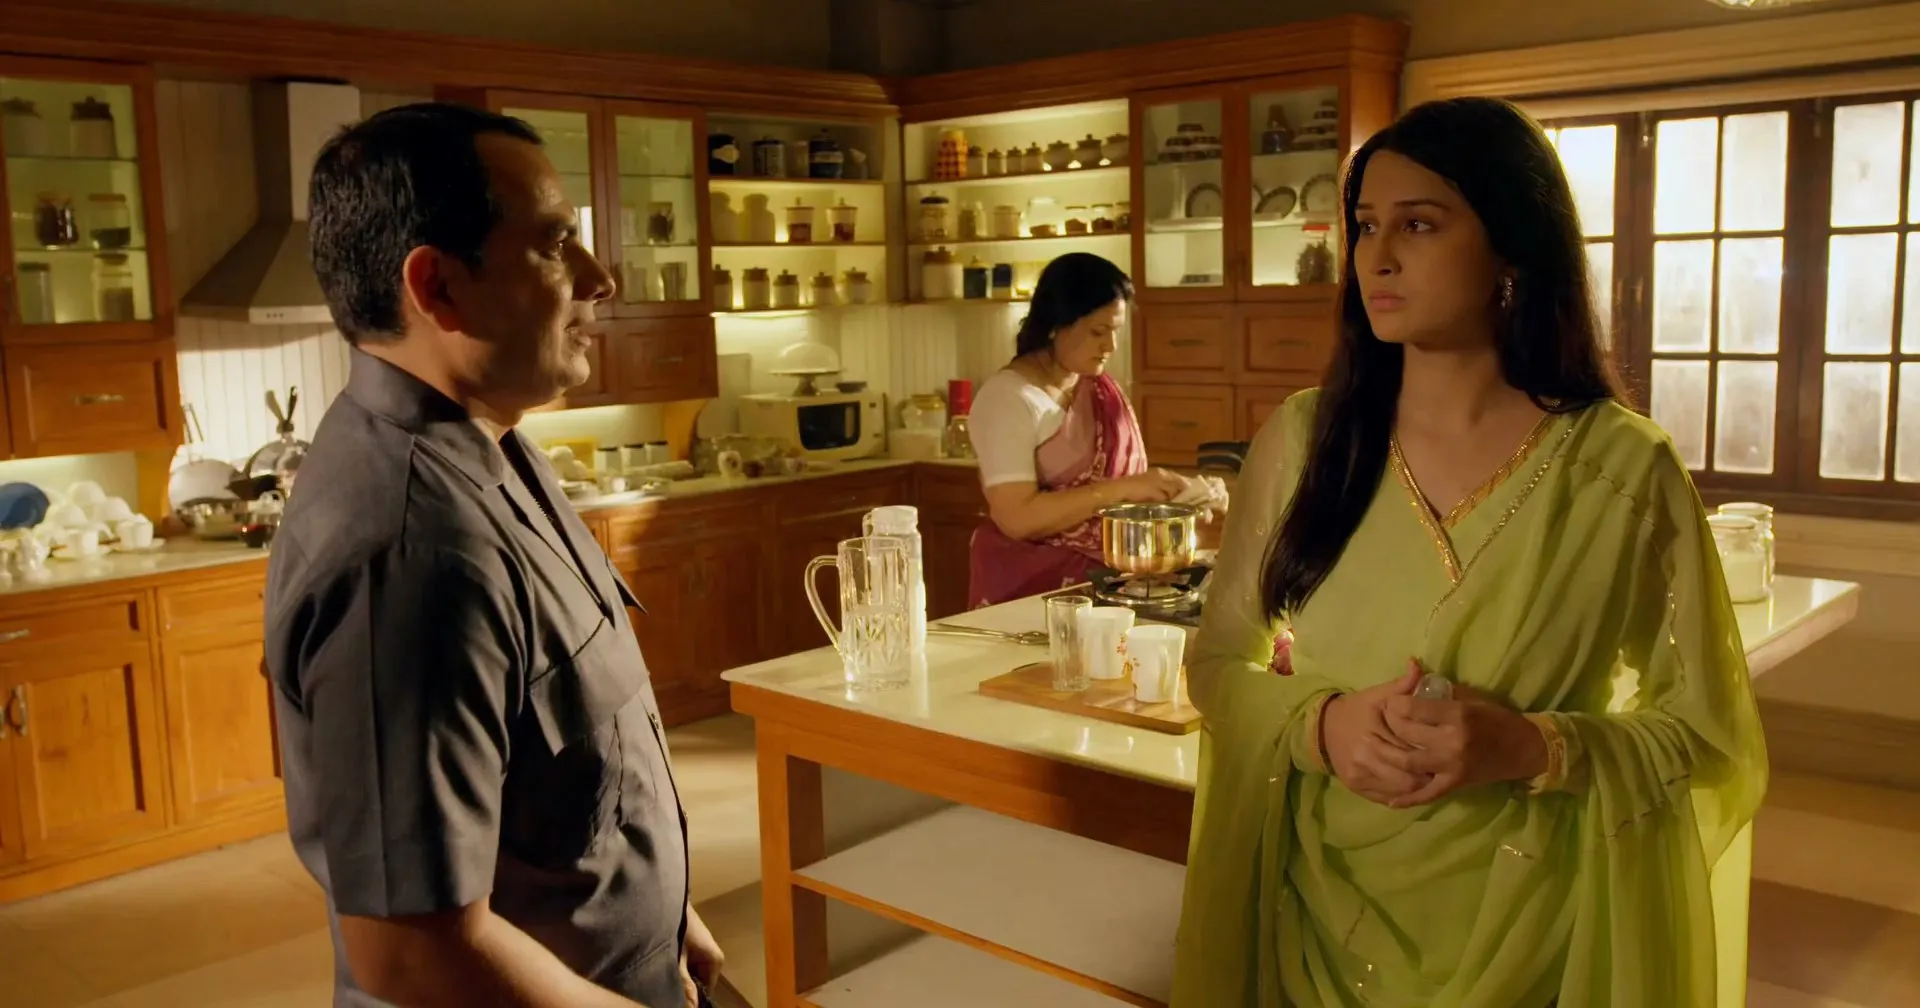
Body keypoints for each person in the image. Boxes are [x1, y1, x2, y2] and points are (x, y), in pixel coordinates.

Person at [1174, 97, 1767, 1007]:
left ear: (1512, 250)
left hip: (1536, 930)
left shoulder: (1620, 470)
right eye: (1365, 223)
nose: (1376, 255)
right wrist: (1320, 728)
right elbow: (1219, 663)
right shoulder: (1306, 442)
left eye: (1419, 224)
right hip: (1317, 916)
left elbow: (1707, 740)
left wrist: (1535, 746)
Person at [263, 103, 722, 1008]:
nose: (600, 277)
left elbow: (568, 773)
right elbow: (412, 953)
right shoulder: (410, 555)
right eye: (554, 244)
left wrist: (670, 917)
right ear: (437, 287)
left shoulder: (494, 447)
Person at [966, 252, 1221, 607]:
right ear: (1056, 324)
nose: (1111, 346)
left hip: (1109, 581)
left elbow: (1119, 488)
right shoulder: (1008, 398)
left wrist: (1183, 498)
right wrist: (1125, 489)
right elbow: (1017, 518)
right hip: (1030, 588)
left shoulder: (1096, 390)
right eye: (1098, 332)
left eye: (1115, 332)